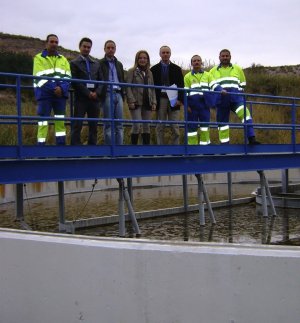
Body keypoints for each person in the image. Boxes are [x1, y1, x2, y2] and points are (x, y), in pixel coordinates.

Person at [209, 49, 260, 145]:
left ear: (230, 57)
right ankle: (224, 145)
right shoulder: (212, 71)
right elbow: (210, 85)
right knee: (222, 123)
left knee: (246, 115)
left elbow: (243, 83)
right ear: (219, 57)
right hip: (221, 100)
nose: (225, 57)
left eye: (227, 56)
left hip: (236, 99)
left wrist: (238, 92)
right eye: (223, 56)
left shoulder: (238, 69)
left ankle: (251, 138)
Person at [33, 34, 71, 145]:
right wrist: (56, 89)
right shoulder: (39, 58)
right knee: (43, 123)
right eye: (52, 41)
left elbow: (68, 77)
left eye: (56, 42)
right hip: (45, 95)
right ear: (46, 43)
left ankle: (60, 148)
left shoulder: (63, 59)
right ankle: (41, 150)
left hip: (60, 96)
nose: (54, 44)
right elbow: (39, 77)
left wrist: (61, 89)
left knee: (60, 123)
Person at [70, 37, 103, 145]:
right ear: (80, 47)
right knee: (77, 124)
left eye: (88, 47)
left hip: (95, 99)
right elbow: (74, 81)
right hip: (81, 98)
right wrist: (88, 93)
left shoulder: (96, 63)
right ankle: (75, 148)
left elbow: (101, 80)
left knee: (93, 125)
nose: (86, 49)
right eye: (84, 46)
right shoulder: (74, 63)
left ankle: (92, 146)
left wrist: (96, 93)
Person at [184, 55, 222, 145]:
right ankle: (192, 149)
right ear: (191, 63)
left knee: (205, 127)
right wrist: (187, 105)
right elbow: (185, 92)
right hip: (192, 107)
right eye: (194, 61)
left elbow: (214, 85)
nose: (196, 62)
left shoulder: (208, 75)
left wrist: (221, 90)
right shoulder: (187, 76)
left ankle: (205, 148)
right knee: (191, 128)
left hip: (204, 105)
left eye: (198, 60)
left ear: (201, 62)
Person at [151, 45, 184, 145]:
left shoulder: (177, 69)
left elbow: (181, 86)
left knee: (175, 125)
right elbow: (151, 87)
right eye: (163, 52)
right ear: (160, 54)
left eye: (167, 52)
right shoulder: (153, 69)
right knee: (160, 125)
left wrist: (180, 100)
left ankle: (175, 148)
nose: (165, 54)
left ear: (170, 54)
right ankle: (160, 148)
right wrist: (153, 101)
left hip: (174, 98)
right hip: (160, 99)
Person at [126, 50, 156, 145]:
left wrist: (154, 102)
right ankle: (134, 149)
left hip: (148, 102)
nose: (142, 60)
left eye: (145, 58)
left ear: (147, 60)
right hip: (136, 102)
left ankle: (146, 149)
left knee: (146, 126)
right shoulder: (132, 71)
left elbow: (152, 88)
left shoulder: (150, 73)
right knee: (137, 125)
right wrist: (131, 100)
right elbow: (127, 86)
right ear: (137, 59)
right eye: (140, 58)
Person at [99, 40, 125, 145]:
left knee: (119, 123)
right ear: (104, 49)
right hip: (107, 93)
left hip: (118, 93)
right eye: (108, 48)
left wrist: (123, 93)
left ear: (115, 49)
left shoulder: (119, 64)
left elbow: (122, 78)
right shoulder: (100, 63)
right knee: (108, 123)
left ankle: (119, 148)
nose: (110, 50)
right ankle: (110, 148)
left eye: (112, 48)